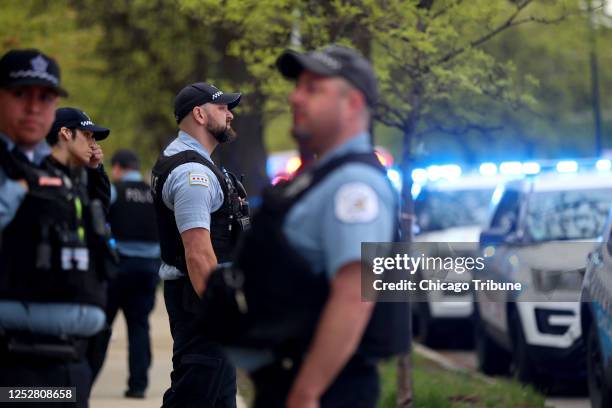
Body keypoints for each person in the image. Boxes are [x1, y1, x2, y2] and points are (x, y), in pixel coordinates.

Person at [198, 45, 409, 408]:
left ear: (353, 104)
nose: (296, 97)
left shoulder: (354, 185)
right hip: (287, 380)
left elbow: (354, 292)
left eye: (314, 89)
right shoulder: (318, 177)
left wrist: (306, 392)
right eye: (298, 87)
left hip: (323, 391)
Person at [0, 47, 113, 408]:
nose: (34, 107)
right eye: (21, 95)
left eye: (45, 97)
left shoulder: (55, 176)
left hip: (71, 360)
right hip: (19, 363)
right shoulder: (16, 174)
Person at [151, 82, 250, 407]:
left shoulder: (187, 161)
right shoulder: (194, 173)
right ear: (199, 114)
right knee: (195, 397)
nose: (230, 115)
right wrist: (223, 314)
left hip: (198, 300)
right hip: (201, 303)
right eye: (222, 108)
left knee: (218, 398)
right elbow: (197, 252)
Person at [91, 149, 160, 399]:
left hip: (117, 268)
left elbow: (97, 220)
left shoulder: (114, 190)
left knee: (102, 325)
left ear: (118, 167)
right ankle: (138, 386)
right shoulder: (153, 193)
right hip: (148, 269)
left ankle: (84, 381)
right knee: (139, 326)